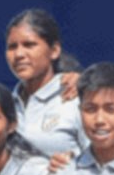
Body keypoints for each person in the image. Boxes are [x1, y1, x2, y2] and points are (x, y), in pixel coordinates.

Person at [6, 9, 85, 158]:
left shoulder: (75, 98)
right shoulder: (5, 105)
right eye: (12, 47)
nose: (19, 54)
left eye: (29, 45)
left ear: (54, 50)